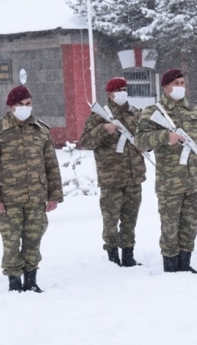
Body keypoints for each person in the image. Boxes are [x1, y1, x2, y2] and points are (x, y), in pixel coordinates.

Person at [135, 69, 197, 274]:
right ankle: (171, 267)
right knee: (170, 227)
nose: (180, 87)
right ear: (166, 87)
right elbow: (139, 141)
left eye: (182, 83)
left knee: (190, 225)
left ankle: (185, 264)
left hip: (196, 179)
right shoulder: (153, 112)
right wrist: (165, 136)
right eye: (176, 83)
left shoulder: (196, 110)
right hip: (170, 182)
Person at [0, 86, 63, 292]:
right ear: (11, 107)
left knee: (34, 239)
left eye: (28, 104)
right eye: (20, 104)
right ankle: (14, 283)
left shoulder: (41, 130)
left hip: (36, 197)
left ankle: (31, 281)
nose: (25, 108)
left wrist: (54, 195)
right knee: (11, 241)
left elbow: (51, 165)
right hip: (9, 199)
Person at [80, 77, 146, 267]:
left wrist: (144, 145)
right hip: (111, 178)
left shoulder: (136, 113)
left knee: (130, 219)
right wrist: (103, 129)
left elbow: (146, 136)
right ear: (109, 94)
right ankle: (112, 256)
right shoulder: (99, 116)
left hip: (134, 176)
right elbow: (85, 142)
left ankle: (128, 254)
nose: (122, 93)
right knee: (110, 220)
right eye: (118, 90)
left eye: (124, 89)